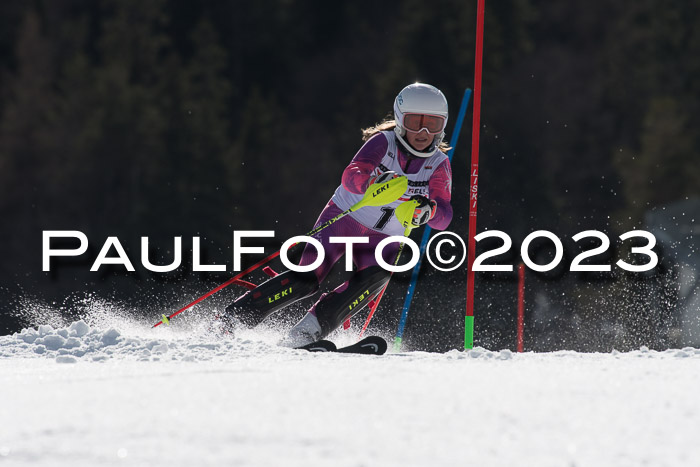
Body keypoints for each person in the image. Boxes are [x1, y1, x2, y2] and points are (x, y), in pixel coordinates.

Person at [219, 83, 453, 346]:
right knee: (306, 277)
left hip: (386, 237)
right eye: (415, 122)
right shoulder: (383, 143)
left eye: (432, 124)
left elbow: (444, 215)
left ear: (442, 126)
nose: (422, 132)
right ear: (400, 120)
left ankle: (306, 333)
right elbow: (351, 174)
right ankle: (232, 321)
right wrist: (370, 184)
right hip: (344, 219)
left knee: (377, 277)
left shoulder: (438, 164)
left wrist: (428, 211)